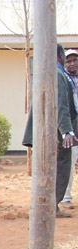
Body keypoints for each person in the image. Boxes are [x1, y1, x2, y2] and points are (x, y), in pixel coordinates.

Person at [22, 44, 77, 218]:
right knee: (61, 166)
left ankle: (48, 204)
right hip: (57, 134)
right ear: (60, 56)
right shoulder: (58, 75)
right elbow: (61, 105)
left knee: (49, 169)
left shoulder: (45, 74)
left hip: (47, 132)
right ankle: (53, 206)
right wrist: (66, 130)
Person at [61, 49, 78, 208]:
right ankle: (65, 197)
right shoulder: (64, 80)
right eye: (68, 61)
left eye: (75, 60)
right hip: (72, 130)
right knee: (69, 163)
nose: (72, 64)